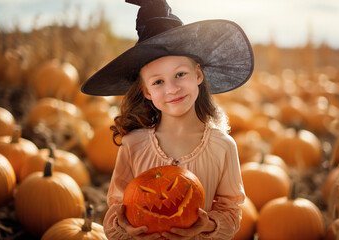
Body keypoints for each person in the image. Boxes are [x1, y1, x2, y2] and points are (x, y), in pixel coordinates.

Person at [81, 0, 254, 239]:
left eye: (180, 74)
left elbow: (231, 212)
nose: (172, 89)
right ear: (146, 92)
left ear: (198, 75)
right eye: (158, 82)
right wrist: (126, 227)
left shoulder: (222, 146)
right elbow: (116, 207)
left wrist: (206, 225)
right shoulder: (134, 145)